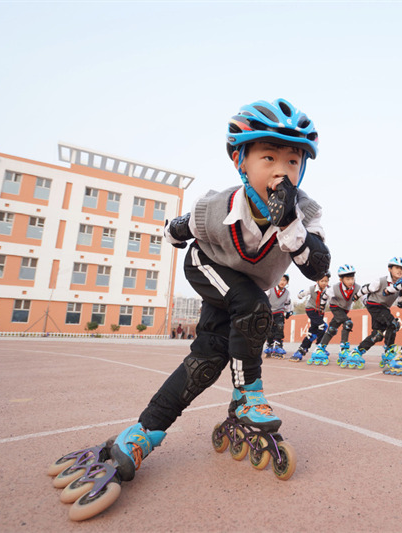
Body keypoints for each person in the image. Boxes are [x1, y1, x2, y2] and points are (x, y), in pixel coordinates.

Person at [99, 98, 330, 482]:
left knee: (209, 358)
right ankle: (248, 397)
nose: (281, 171)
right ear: (241, 162)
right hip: (206, 266)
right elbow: (179, 229)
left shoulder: (306, 213)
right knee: (254, 307)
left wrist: (289, 221)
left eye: (293, 161)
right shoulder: (215, 207)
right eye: (268, 158)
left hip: (247, 288)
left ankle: (142, 433)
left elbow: (316, 267)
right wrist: (172, 232)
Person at [343, 257, 402, 370]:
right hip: (374, 305)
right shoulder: (381, 281)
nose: (400, 271)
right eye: (397, 268)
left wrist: (401, 292)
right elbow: (367, 288)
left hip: (384, 308)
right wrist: (357, 296)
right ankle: (389, 352)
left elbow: (401, 304)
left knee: (377, 335)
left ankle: (356, 352)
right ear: (390, 269)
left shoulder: (401, 285)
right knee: (393, 324)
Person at [310, 264, 361, 365]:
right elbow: (324, 296)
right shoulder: (334, 288)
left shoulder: (357, 287)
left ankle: (320, 348)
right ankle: (344, 349)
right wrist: (321, 308)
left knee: (332, 329)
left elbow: (364, 298)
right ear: (341, 279)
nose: (351, 281)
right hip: (335, 307)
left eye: (352, 278)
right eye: (348, 279)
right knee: (348, 323)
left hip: (345, 310)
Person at [291, 272, 330, 362]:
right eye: (322, 281)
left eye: (326, 281)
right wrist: (300, 295)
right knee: (323, 326)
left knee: (313, 332)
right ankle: (320, 347)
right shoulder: (312, 289)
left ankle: (301, 349)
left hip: (320, 312)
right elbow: (302, 294)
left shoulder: (329, 290)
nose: (324, 283)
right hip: (311, 310)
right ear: (317, 281)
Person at [265, 274, 292, 358]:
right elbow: (264, 298)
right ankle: (269, 344)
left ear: (287, 282)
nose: (282, 282)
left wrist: (288, 312)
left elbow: (288, 303)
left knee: (280, 326)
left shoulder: (287, 293)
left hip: (279, 312)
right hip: (269, 312)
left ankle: (278, 345)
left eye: (284, 280)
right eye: (280, 280)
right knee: (270, 329)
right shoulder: (270, 289)